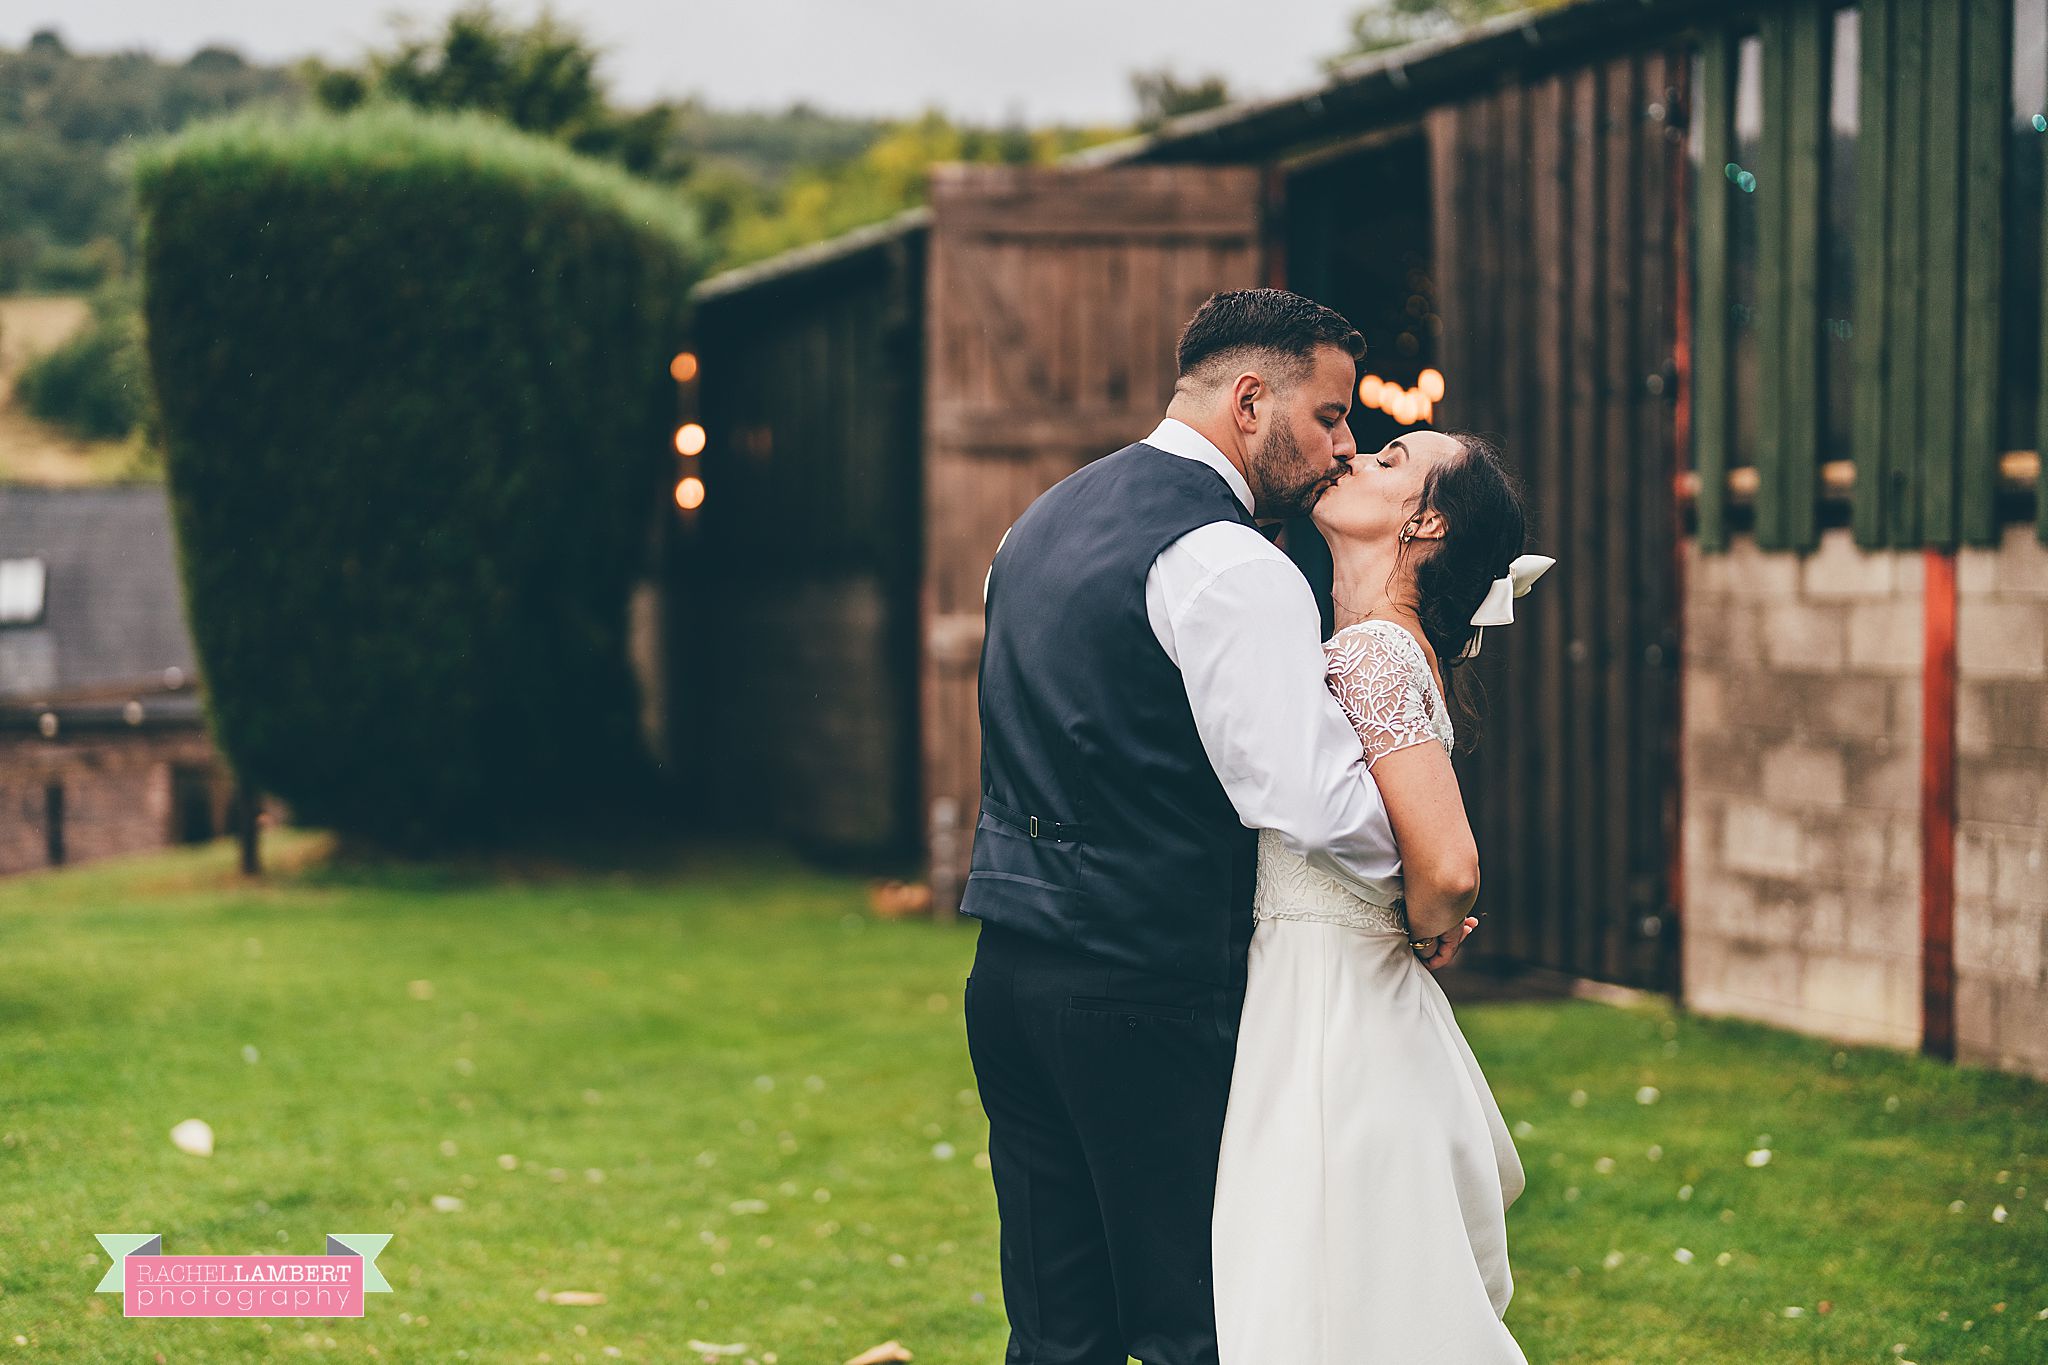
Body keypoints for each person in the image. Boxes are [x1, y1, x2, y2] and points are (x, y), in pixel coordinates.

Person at [961, 288, 1486, 1365]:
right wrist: (1418, 877)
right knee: (1201, 1323)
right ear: (1252, 401)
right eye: (1330, 417)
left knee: (1059, 1333)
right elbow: (1308, 799)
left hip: (1007, 973)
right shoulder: (1228, 562)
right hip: (1143, 991)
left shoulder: (1038, 521)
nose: (1343, 444)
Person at [1210, 426, 1548, 1363]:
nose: (1353, 457)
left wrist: (1430, 922)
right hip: (1318, 983)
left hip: (1332, 997)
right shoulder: (1369, 647)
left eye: (1390, 461)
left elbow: (1448, 867)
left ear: (1426, 520)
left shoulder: (1372, 654)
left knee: (1317, 1268)